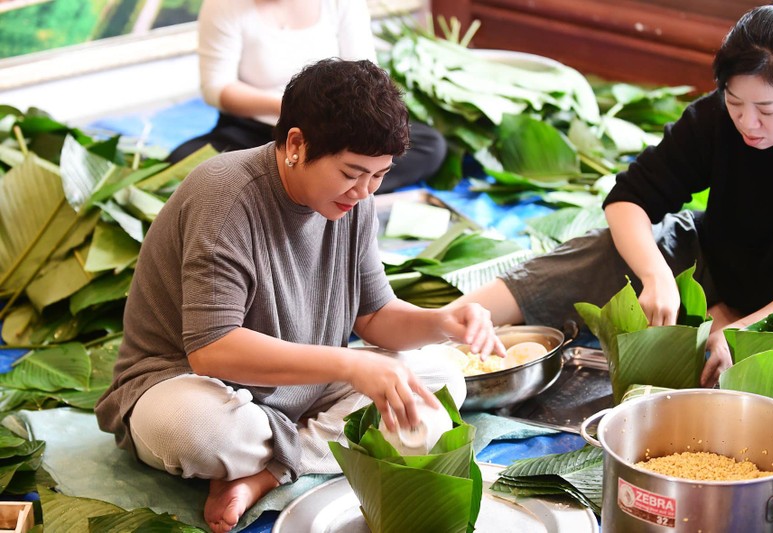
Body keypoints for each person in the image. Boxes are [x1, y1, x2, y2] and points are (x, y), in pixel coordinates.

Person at [96, 58, 505, 533]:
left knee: (440, 381)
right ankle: (296, 452)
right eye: (352, 172)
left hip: (301, 388)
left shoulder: (357, 199)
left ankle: (268, 472)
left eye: (379, 175)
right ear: (295, 144)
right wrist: (352, 364)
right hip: (194, 387)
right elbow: (211, 350)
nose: (364, 190)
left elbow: (375, 315)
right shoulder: (224, 196)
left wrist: (444, 323)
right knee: (196, 432)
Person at [450, 1, 773, 388]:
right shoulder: (715, 119)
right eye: (735, 102)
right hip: (716, 259)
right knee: (610, 251)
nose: (747, 122)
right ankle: (444, 324)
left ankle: (727, 318)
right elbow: (628, 199)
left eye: (767, 110)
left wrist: (745, 329)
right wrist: (656, 275)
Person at [167, 0, 448, 194]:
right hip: (254, 133)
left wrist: (335, 115)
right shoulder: (225, 5)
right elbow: (217, 87)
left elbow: (365, 72)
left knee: (429, 146)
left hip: (335, 129)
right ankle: (320, 186)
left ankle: (322, 188)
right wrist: (294, 107)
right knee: (185, 165)